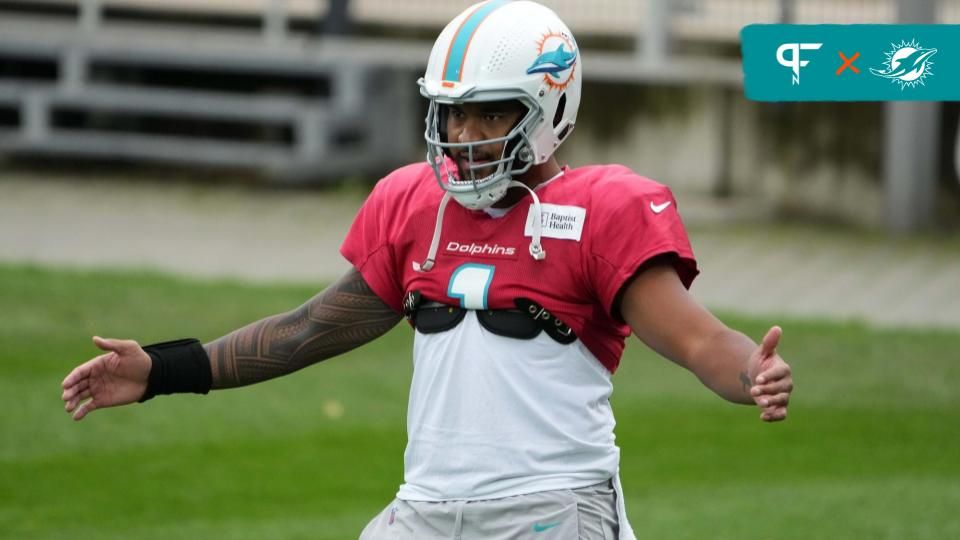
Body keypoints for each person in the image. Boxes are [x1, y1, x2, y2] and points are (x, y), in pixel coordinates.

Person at [60, 1, 793, 538]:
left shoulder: (599, 211)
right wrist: (164, 369)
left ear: (549, 109)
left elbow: (699, 340)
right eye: (450, 116)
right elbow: (311, 329)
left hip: (550, 509)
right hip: (426, 511)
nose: (463, 138)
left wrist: (748, 374)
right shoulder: (415, 205)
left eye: (488, 116)